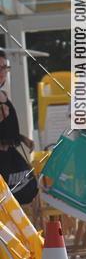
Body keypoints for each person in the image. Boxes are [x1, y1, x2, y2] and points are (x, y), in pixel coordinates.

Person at [0, 50, 37, 207]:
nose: (2, 72)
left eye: (4, 67)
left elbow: (7, 128)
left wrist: (22, 138)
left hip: (9, 154)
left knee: (27, 188)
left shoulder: (3, 94)